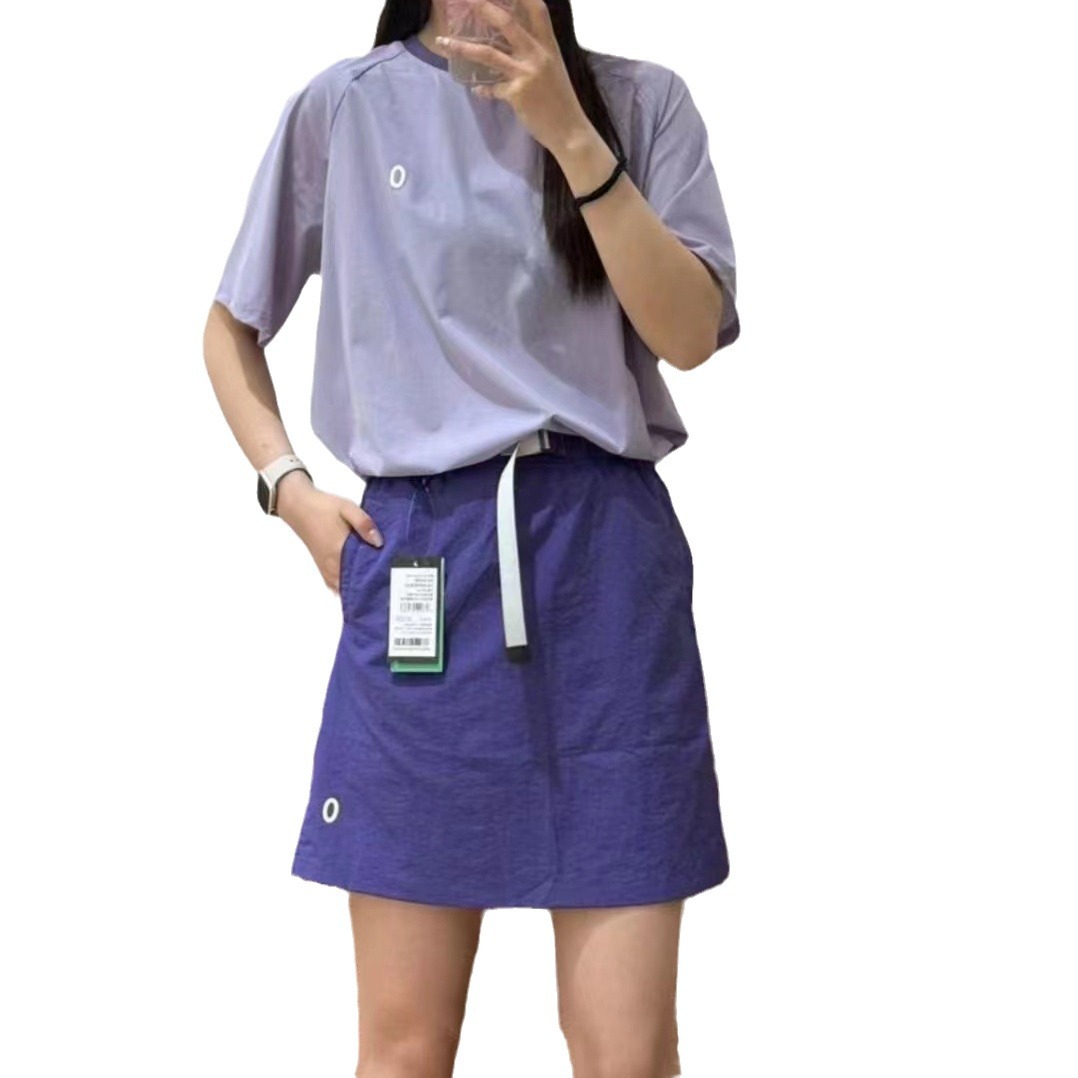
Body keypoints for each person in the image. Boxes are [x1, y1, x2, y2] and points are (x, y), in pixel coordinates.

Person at [202, 0, 741, 1074]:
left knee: (627, 1050)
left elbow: (689, 336)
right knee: (405, 1047)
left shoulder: (642, 103)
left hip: (604, 572)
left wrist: (567, 129)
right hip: (421, 564)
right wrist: (289, 490)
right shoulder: (346, 108)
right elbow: (230, 324)